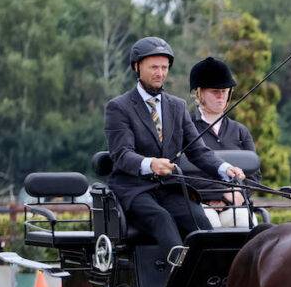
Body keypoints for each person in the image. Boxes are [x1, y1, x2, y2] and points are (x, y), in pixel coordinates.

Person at [104, 37, 245, 264]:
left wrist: (225, 168)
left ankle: (215, 275)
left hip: (169, 188)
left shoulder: (177, 106)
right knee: (162, 219)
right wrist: (150, 164)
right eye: (154, 67)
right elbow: (121, 154)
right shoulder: (119, 107)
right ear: (136, 67)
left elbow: (198, 150)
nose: (160, 73)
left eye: (164, 67)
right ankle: (179, 277)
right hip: (134, 189)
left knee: (199, 220)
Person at [189, 57, 259, 227]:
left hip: (236, 203)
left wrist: (237, 195)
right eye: (215, 91)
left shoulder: (240, 131)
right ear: (199, 93)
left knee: (245, 222)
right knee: (209, 223)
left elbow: (255, 176)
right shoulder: (187, 128)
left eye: (225, 91)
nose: (221, 96)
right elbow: (184, 176)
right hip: (198, 203)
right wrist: (219, 194)